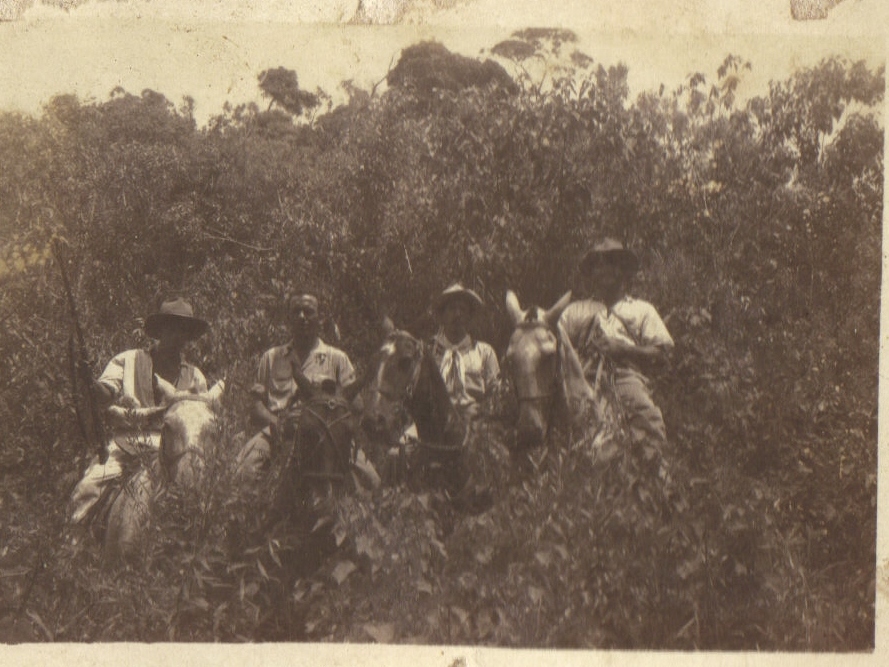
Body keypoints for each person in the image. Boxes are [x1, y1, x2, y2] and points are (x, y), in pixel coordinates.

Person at [68, 297, 210, 524]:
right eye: (172, 328)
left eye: (184, 330)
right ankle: (74, 538)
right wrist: (90, 383)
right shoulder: (128, 360)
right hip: (128, 446)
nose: (177, 336)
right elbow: (105, 394)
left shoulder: (196, 377)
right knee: (88, 489)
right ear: (160, 330)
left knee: (206, 501)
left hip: (175, 451)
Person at [560, 238, 674, 454]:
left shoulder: (642, 310)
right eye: (597, 264)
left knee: (648, 421)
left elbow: (662, 352)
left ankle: (655, 468)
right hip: (581, 377)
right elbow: (554, 342)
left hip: (623, 377)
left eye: (610, 262)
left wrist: (623, 349)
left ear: (623, 270)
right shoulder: (576, 310)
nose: (602, 269)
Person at [237, 292, 358, 481]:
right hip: (279, 432)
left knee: (370, 481)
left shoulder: (337, 359)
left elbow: (357, 404)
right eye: (296, 311)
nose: (302, 317)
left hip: (327, 433)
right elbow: (256, 406)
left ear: (320, 318)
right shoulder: (271, 357)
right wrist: (275, 422)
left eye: (308, 311)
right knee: (245, 471)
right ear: (289, 318)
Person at [430, 283, 501, 420]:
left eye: (462, 309)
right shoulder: (429, 352)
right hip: (435, 422)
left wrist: (482, 413)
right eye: (452, 309)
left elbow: (494, 393)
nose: (457, 314)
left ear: (469, 317)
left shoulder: (484, 352)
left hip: (475, 422)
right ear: (443, 315)